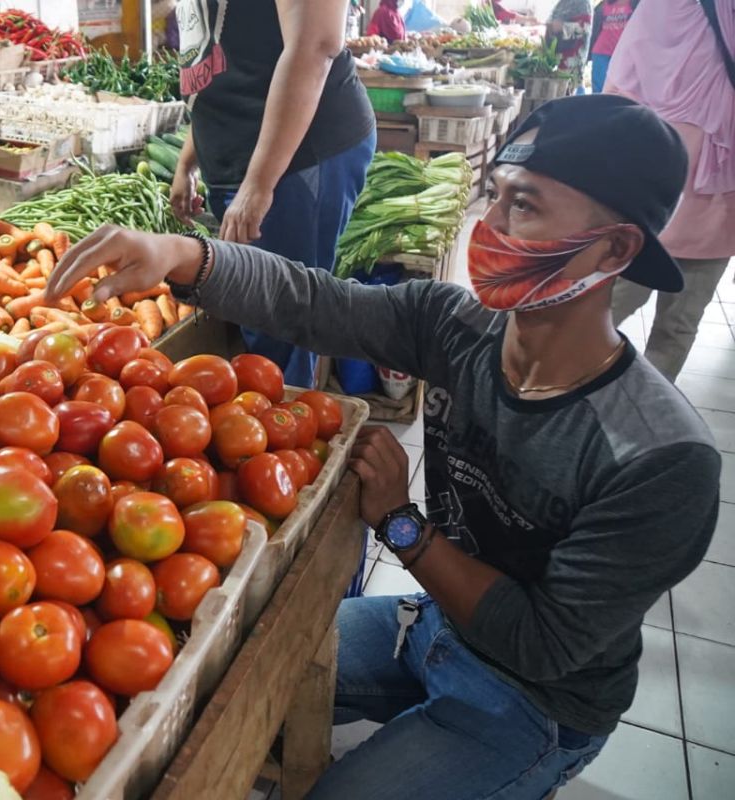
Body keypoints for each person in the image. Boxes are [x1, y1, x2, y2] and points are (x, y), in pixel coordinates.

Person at [44, 94, 719, 799]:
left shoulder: (660, 459)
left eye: (525, 205)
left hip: (535, 701)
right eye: (494, 197)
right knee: (202, 674)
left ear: (614, 248)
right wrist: (184, 254)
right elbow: (317, 303)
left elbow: (541, 644)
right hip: (430, 622)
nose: (486, 228)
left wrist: (403, 525)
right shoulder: (456, 325)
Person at [173, 0, 376, 390]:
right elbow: (215, 52)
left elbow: (315, 45)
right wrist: (189, 159)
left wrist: (259, 183)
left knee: (283, 320)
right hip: (239, 154)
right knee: (256, 311)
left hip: (299, 156)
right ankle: (267, 424)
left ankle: (289, 436)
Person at [607, 0, 735, 382]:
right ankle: (634, 418)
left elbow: (620, 96)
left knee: (604, 311)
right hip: (697, 201)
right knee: (672, 327)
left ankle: (565, 404)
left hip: (663, 198)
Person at [589, 0, 638, 93]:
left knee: (623, 92)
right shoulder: (602, 6)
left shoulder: (636, 4)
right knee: (600, 92)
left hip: (625, 55)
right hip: (601, 53)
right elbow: (594, 29)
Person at [545, 0, 592, 86]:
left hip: (572, 61)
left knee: (568, 93)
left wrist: (562, 26)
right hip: (555, 59)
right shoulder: (561, 3)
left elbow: (584, 29)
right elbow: (550, 21)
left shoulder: (583, 3)